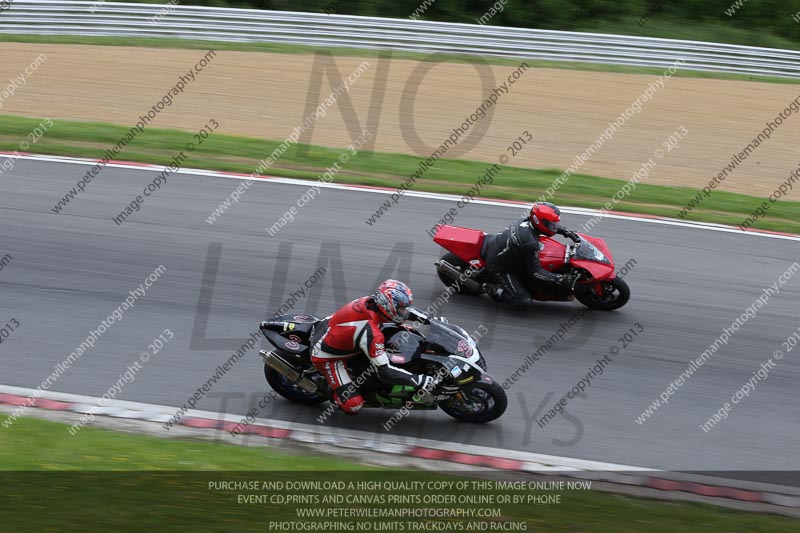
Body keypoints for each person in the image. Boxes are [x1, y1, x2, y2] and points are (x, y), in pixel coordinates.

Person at [311, 279, 437, 415]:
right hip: (328, 357)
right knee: (354, 406)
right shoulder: (371, 332)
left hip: (335, 331)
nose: (404, 311)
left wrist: (431, 320)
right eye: (401, 308)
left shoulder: (372, 302)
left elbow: (407, 313)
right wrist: (420, 380)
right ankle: (328, 386)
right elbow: (386, 373)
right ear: (388, 305)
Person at [480, 201, 581, 307]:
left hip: (499, 245)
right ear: (538, 221)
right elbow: (536, 272)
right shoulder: (530, 243)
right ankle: (491, 288)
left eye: (555, 224)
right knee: (523, 301)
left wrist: (566, 231)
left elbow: (549, 227)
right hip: (498, 266)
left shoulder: (527, 220)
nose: (554, 227)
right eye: (552, 224)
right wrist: (560, 279)